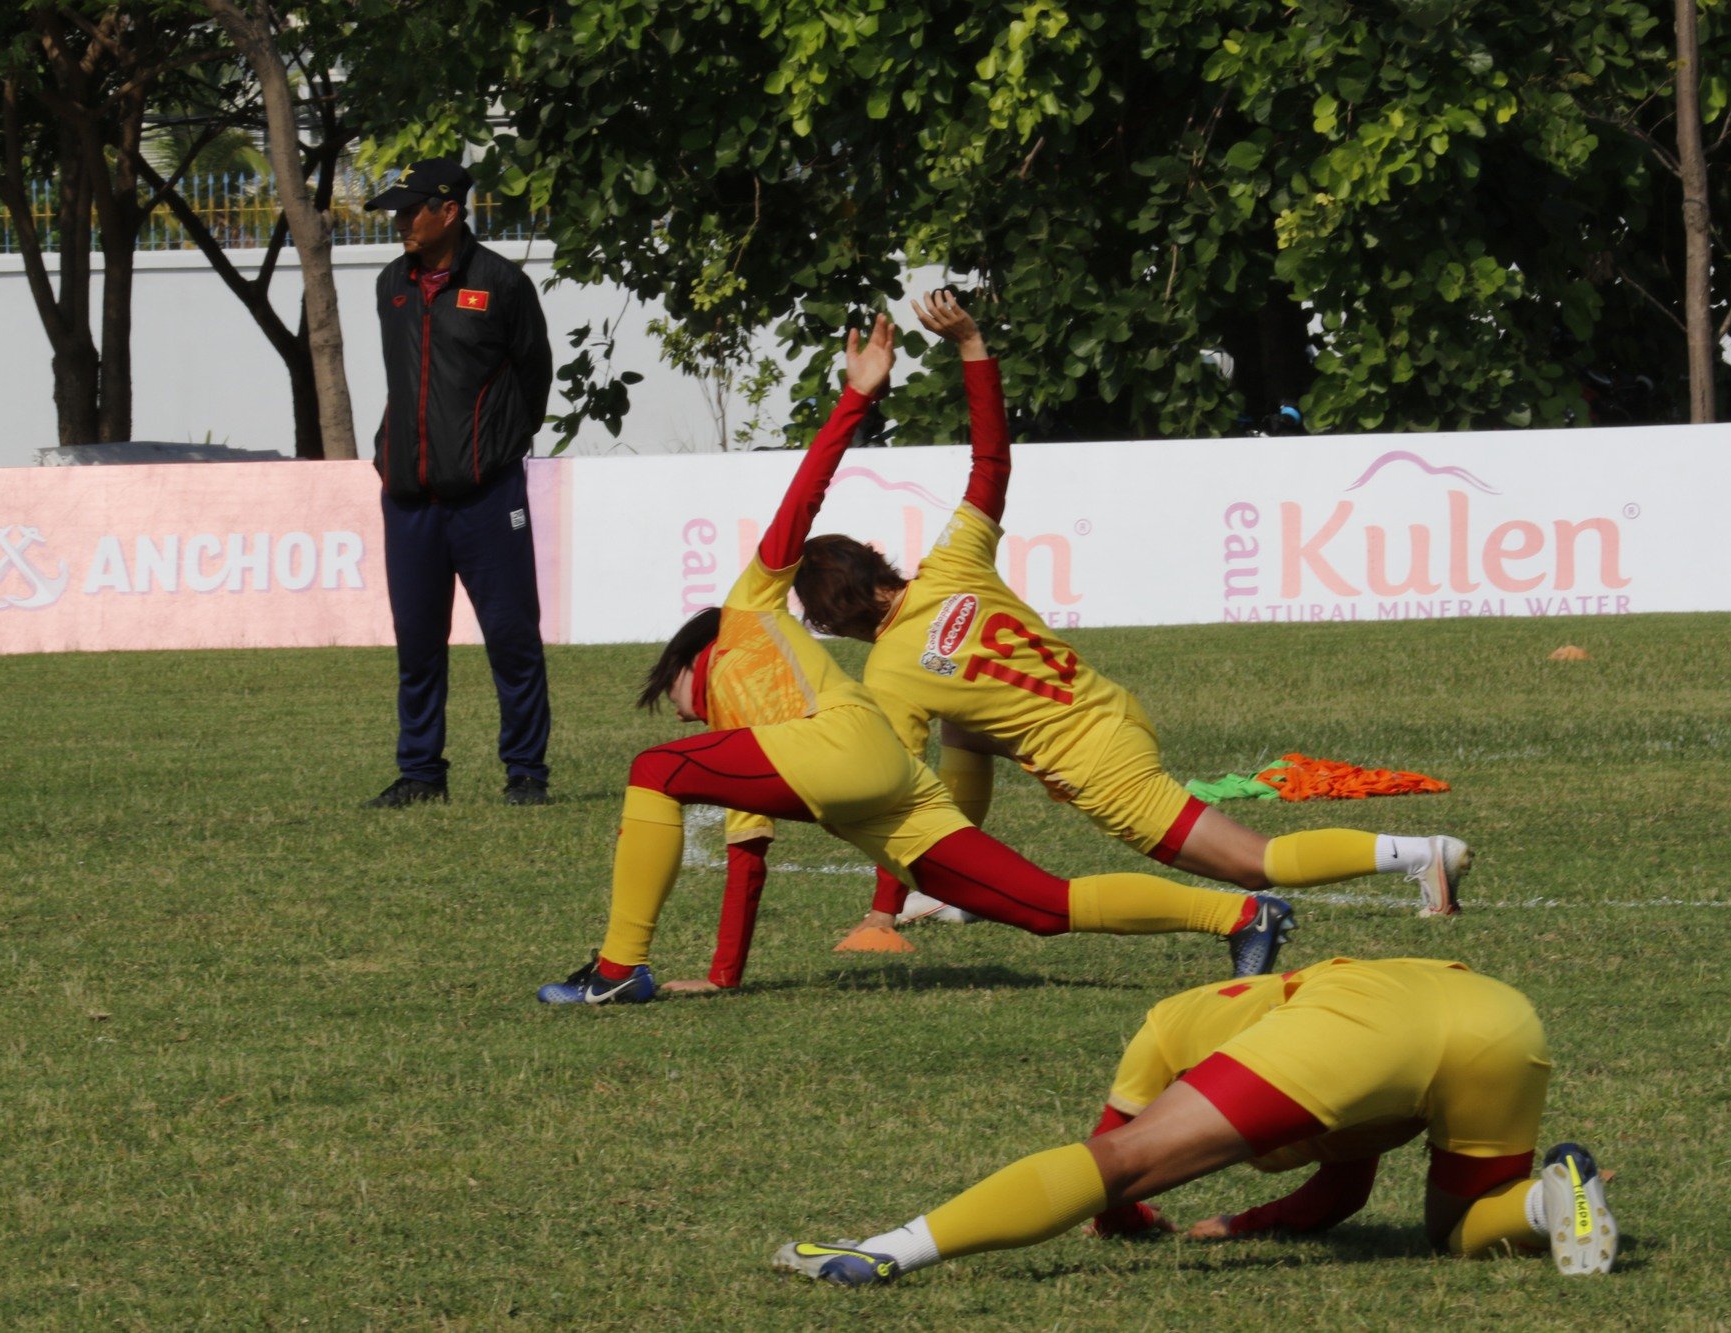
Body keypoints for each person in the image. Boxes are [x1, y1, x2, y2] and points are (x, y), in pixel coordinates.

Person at [536, 318, 1295, 1005]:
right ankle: (1238, 912)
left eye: (672, 687)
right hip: (889, 790)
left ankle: (614, 970)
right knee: (1044, 906)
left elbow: (805, 494)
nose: (678, 707)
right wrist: (724, 975)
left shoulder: (747, 607)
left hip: (848, 752)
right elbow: (748, 857)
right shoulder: (750, 747)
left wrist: (857, 398)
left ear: (690, 653)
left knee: (653, 768)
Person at [791, 291, 1470, 953]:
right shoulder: (953, 564)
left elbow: (900, 792)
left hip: (1103, 768)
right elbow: (991, 461)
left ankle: (1418, 855)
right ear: (877, 560)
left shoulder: (891, 674)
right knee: (963, 725)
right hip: (1110, 712)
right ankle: (950, 888)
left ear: (832, 622)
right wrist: (972, 345)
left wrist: (879, 912)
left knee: (1252, 863)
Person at [774, 956, 1619, 1284]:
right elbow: (1341, 1188)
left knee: (1129, 1157)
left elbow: (1116, 1172)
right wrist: (1242, 1222)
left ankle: (887, 1250)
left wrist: (1136, 1221)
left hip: (1364, 1018)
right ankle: (1554, 1196)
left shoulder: (1168, 1023)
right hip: (1504, 1016)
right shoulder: (1280, 1019)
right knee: (1457, 1226)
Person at [362, 158, 555, 809]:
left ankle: (525, 770)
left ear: (450, 211)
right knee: (418, 644)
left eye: (411, 210)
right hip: (409, 500)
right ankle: (421, 772)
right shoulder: (391, 283)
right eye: (396, 211)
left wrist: (496, 448)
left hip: (487, 496)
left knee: (511, 636)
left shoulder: (501, 283)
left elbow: (534, 376)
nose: (400, 222)